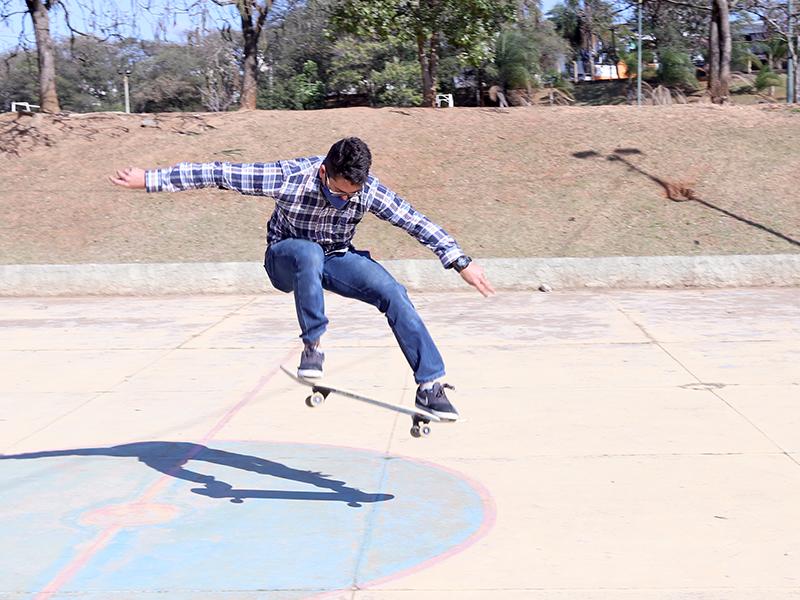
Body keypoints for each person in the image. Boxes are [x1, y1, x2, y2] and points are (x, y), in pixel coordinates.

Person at [110, 137, 494, 420]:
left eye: (351, 196)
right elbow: (218, 172)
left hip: (337, 258)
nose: (343, 201)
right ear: (324, 172)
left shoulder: (367, 191)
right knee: (308, 252)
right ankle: (313, 346)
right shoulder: (289, 177)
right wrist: (152, 180)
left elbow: (414, 220)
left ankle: (430, 386)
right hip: (285, 260)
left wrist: (459, 261)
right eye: (337, 193)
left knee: (393, 292)